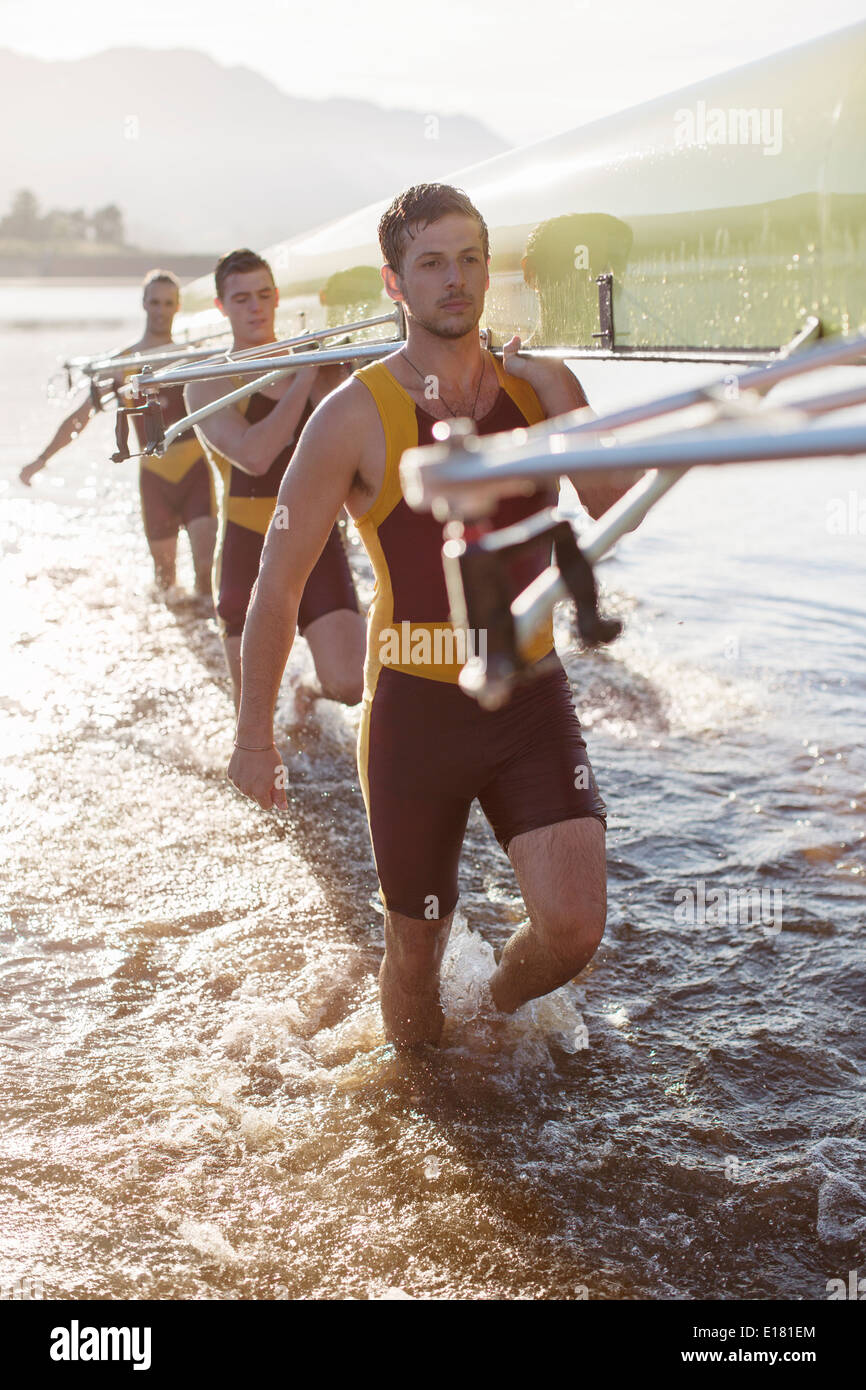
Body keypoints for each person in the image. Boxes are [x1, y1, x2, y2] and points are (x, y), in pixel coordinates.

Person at [227, 184, 636, 1049]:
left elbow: (610, 496)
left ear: (490, 270)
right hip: (414, 714)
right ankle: (424, 1096)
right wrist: (254, 737)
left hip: (530, 696)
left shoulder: (542, 385)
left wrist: (556, 396)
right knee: (413, 957)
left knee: (573, 930)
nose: (457, 279)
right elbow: (278, 582)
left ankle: (493, 1010)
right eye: (433, 262)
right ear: (394, 283)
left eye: (471, 259)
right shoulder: (351, 416)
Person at [186, 249, 365, 711]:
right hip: (248, 548)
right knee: (253, 714)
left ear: (277, 297)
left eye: (264, 295)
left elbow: (359, 446)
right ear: (221, 307)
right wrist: (302, 375)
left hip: (315, 540)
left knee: (349, 686)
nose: (255, 307)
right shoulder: (205, 384)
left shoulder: (318, 369)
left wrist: (341, 374)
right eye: (241, 298)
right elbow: (255, 456)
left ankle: (306, 689)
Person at [19, 270, 217, 598]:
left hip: (197, 472)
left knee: (206, 573)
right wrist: (41, 460)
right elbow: (80, 419)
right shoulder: (120, 364)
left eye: (168, 303)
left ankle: (208, 640)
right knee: (166, 585)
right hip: (155, 478)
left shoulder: (191, 356)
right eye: (154, 301)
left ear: (177, 307)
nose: (160, 309)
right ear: (143, 304)